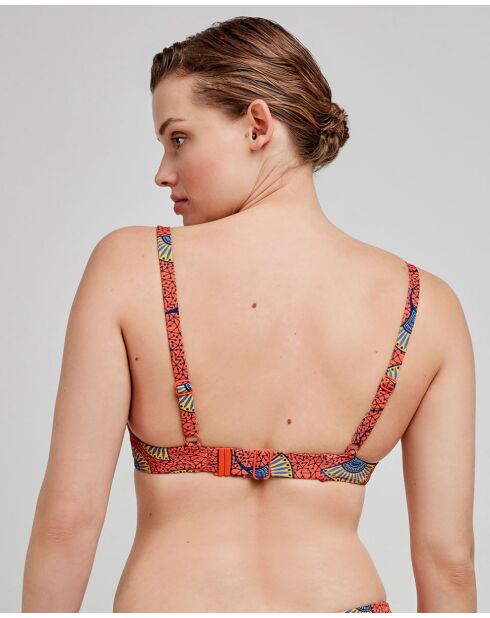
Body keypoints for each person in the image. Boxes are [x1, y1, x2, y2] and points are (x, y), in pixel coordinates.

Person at [22, 16, 476, 612]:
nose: (162, 172)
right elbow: (449, 564)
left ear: (258, 126)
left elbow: (70, 518)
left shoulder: (130, 267)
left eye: (177, 138)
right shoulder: (428, 306)